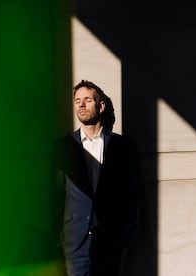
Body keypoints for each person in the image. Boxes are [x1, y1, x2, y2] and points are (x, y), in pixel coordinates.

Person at [54, 80, 140, 276]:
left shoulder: (122, 147)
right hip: (75, 242)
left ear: (101, 106)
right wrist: (60, 236)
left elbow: (131, 194)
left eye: (87, 100)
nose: (81, 105)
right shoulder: (62, 147)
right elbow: (56, 195)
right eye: (77, 101)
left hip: (111, 242)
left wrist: (127, 234)